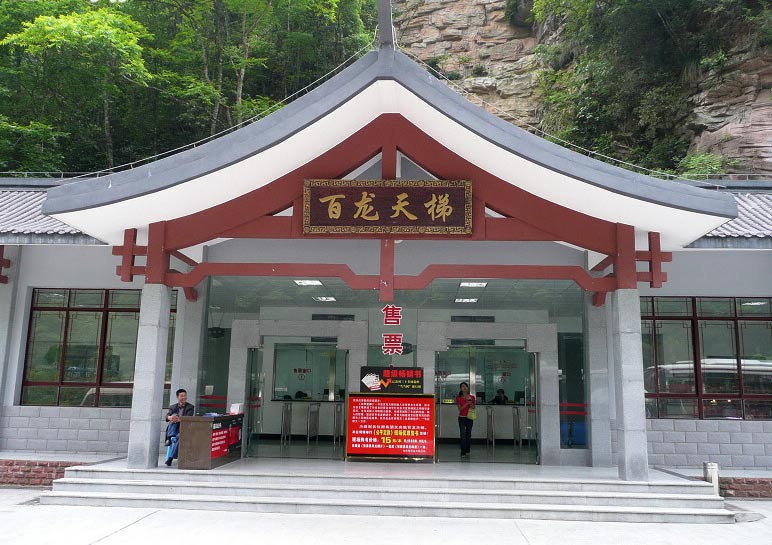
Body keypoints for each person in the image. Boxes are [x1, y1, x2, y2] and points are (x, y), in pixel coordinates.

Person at [165, 388, 195, 466]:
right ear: (177, 397)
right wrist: (170, 417)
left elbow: (188, 418)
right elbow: (166, 417)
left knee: (180, 436)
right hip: (174, 428)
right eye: (182, 396)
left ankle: (170, 458)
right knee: (174, 415)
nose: (184, 397)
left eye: (185, 396)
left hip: (184, 428)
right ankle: (171, 436)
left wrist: (178, 419)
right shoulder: (173, 407)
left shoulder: (190, 407)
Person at [456, 382, 476, 458]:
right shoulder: (458, 397)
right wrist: (467, 403)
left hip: (469, 418)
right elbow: (460, 409)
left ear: (467, 388)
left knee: (468, 434)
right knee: (463, 435)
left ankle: (467, 449)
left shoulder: (472, 397)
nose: (464, 388)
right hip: (461, 418)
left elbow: (473, 407)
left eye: (465, 386)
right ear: (460, 388)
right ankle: (463, 452)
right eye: (462, 386)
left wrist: (470, 402)